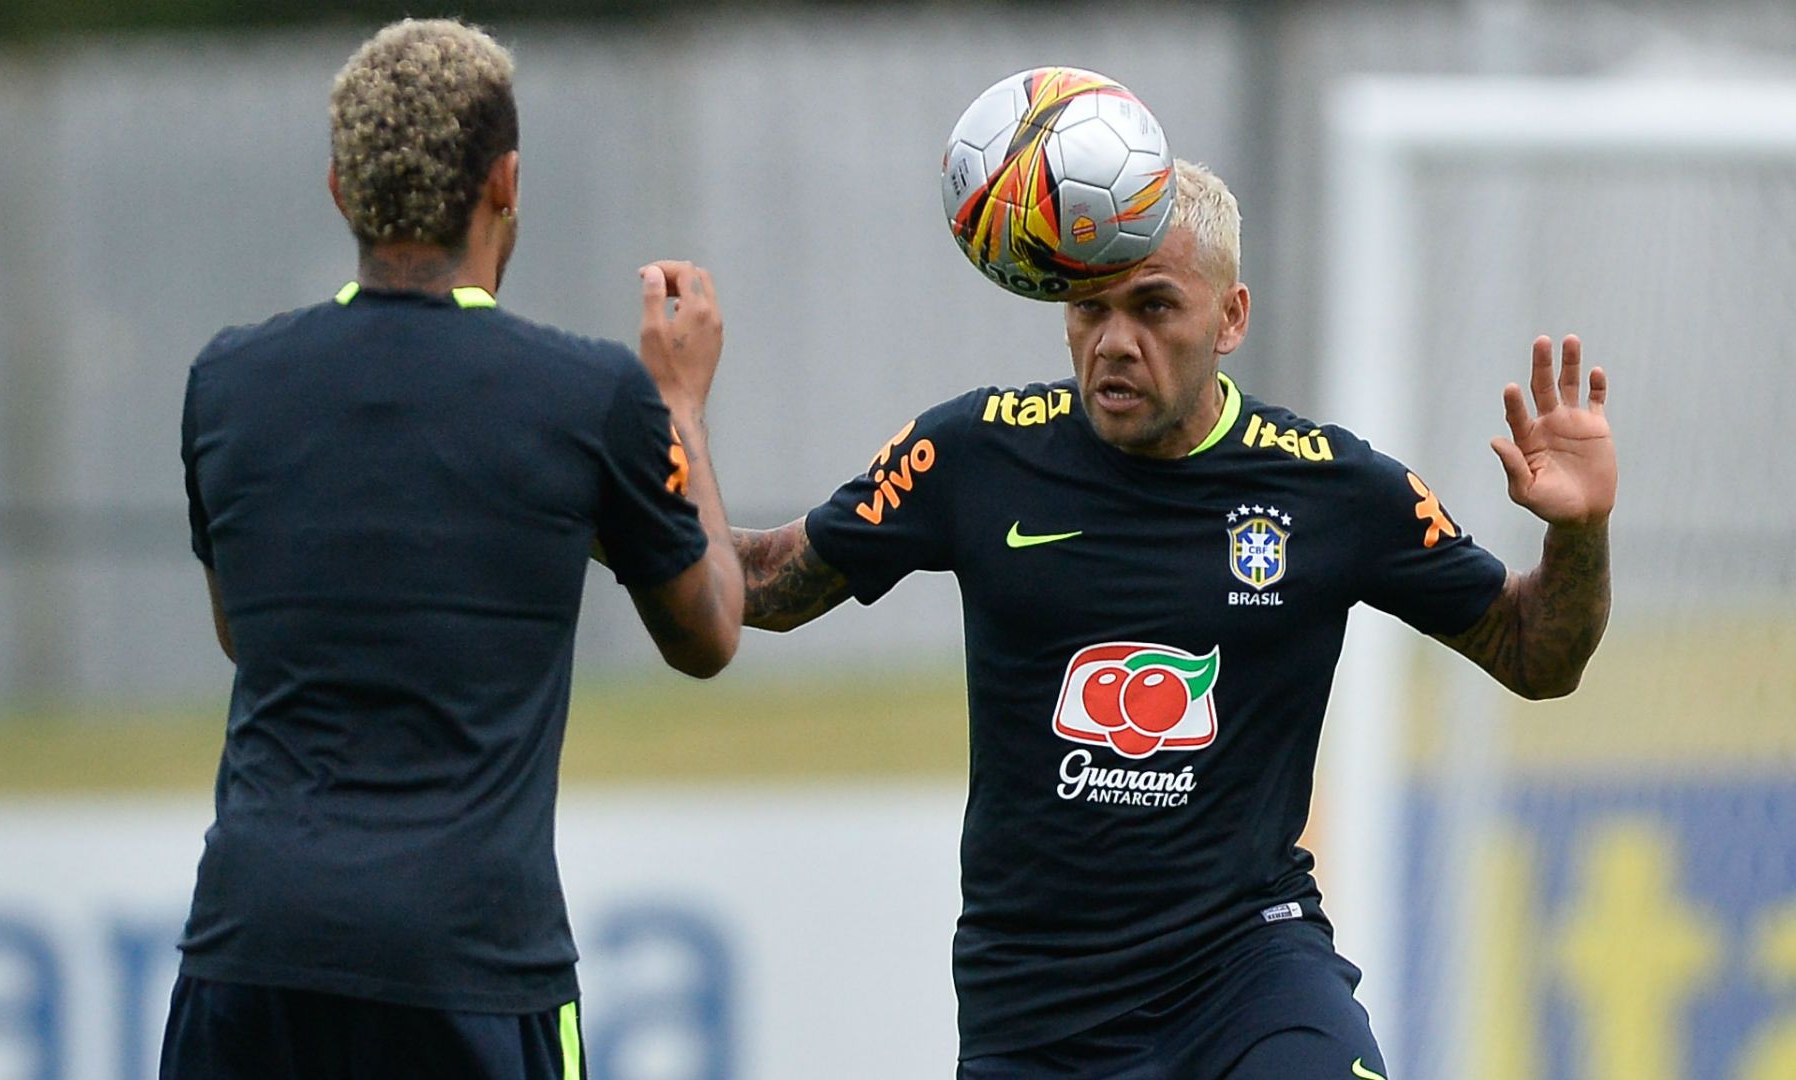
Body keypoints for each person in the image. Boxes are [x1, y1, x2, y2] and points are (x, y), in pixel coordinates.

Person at [732, 160, 1614, 1078]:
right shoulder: (972, 454)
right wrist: (614, 489)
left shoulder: (1333, 488)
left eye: (1152, 308)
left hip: (1247, 971)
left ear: (1230, 317)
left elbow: (1534, 653)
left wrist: (1581, 532)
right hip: (1037, 1006)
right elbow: (765, 586)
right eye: (1089, 308)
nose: (1114, 342)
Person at [165, 19, 742, 1079]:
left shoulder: (229, 383)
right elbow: (708, 631)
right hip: (471, 961)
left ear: (340, 189)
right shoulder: (586, 393)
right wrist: (680, 406)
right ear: (507, 181)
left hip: (249, 955)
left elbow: (243, 634)